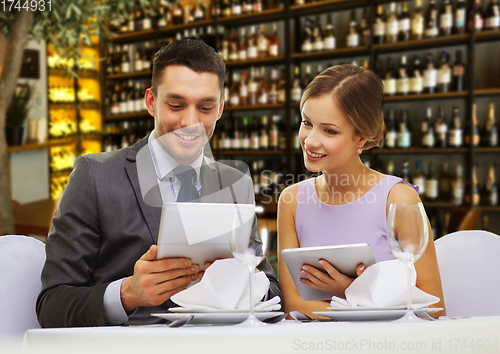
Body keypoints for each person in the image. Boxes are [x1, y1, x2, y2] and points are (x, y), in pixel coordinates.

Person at [37, 39, 282, 327]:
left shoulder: (235, 182)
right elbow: (51, 306)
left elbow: (273, 295)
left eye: (205, 107)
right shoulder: (94, 175)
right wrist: (127, 294)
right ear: (151, 102)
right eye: (176, 105)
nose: (190, 122)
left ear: (220, 108)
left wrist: (248, 282)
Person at [277, 64, 445, 319]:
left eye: (329, 130)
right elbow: (293, 306)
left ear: (362, 138)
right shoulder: (291, 201)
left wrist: (350, 292)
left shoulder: (398, 198)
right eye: (307, 123)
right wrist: (362, 302)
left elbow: (434, 310)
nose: (310, 140)